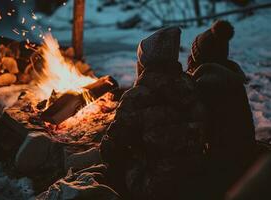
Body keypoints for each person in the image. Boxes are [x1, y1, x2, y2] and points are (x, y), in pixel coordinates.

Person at [100, 27, 208, 200]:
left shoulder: (137, 96)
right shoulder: (191, 86)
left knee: (111, 170)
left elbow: (111, 148)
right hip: (196, 178)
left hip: (155, 185)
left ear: (146, 61)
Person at [186, 20, 256, 198]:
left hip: (221, 166)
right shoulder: (230, 77)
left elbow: (197, 130)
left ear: (199, 57)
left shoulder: (206, 85)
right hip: (244, 156)